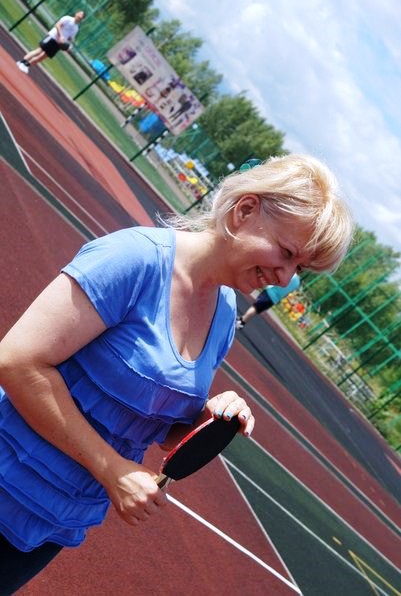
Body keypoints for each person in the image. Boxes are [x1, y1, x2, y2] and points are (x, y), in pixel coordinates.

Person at [0, 153, 353, 593]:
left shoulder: (223, 317)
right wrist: (111, 469)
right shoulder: (134, 259)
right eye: (286, 253)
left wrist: (209, 416)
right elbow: (18, 361)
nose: (284, 278)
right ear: (244, 210)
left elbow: (158, 424)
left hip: (53, 522)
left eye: (299, 269)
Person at [16, 11, 85, 74]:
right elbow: (58, 25)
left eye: (81, 16)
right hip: (52, 37)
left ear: (82, 19)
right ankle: (22, 62)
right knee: (39, 51)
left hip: (58, 44)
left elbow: (70, 38)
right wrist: (60, 36)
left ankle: (26, 65)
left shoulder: (76, 28)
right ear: (76, 14)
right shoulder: (67, 18)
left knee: (42, 57)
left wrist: (68, 46)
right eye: (79, 14)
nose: (80, 16)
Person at [236, 273, 301, 329]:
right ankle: (243, 319)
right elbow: (287, 293)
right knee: (257, 309)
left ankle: (241, 321)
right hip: (275, 299)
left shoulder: (289, 274)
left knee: (254, 307)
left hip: (270, 292)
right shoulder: (297, 283)